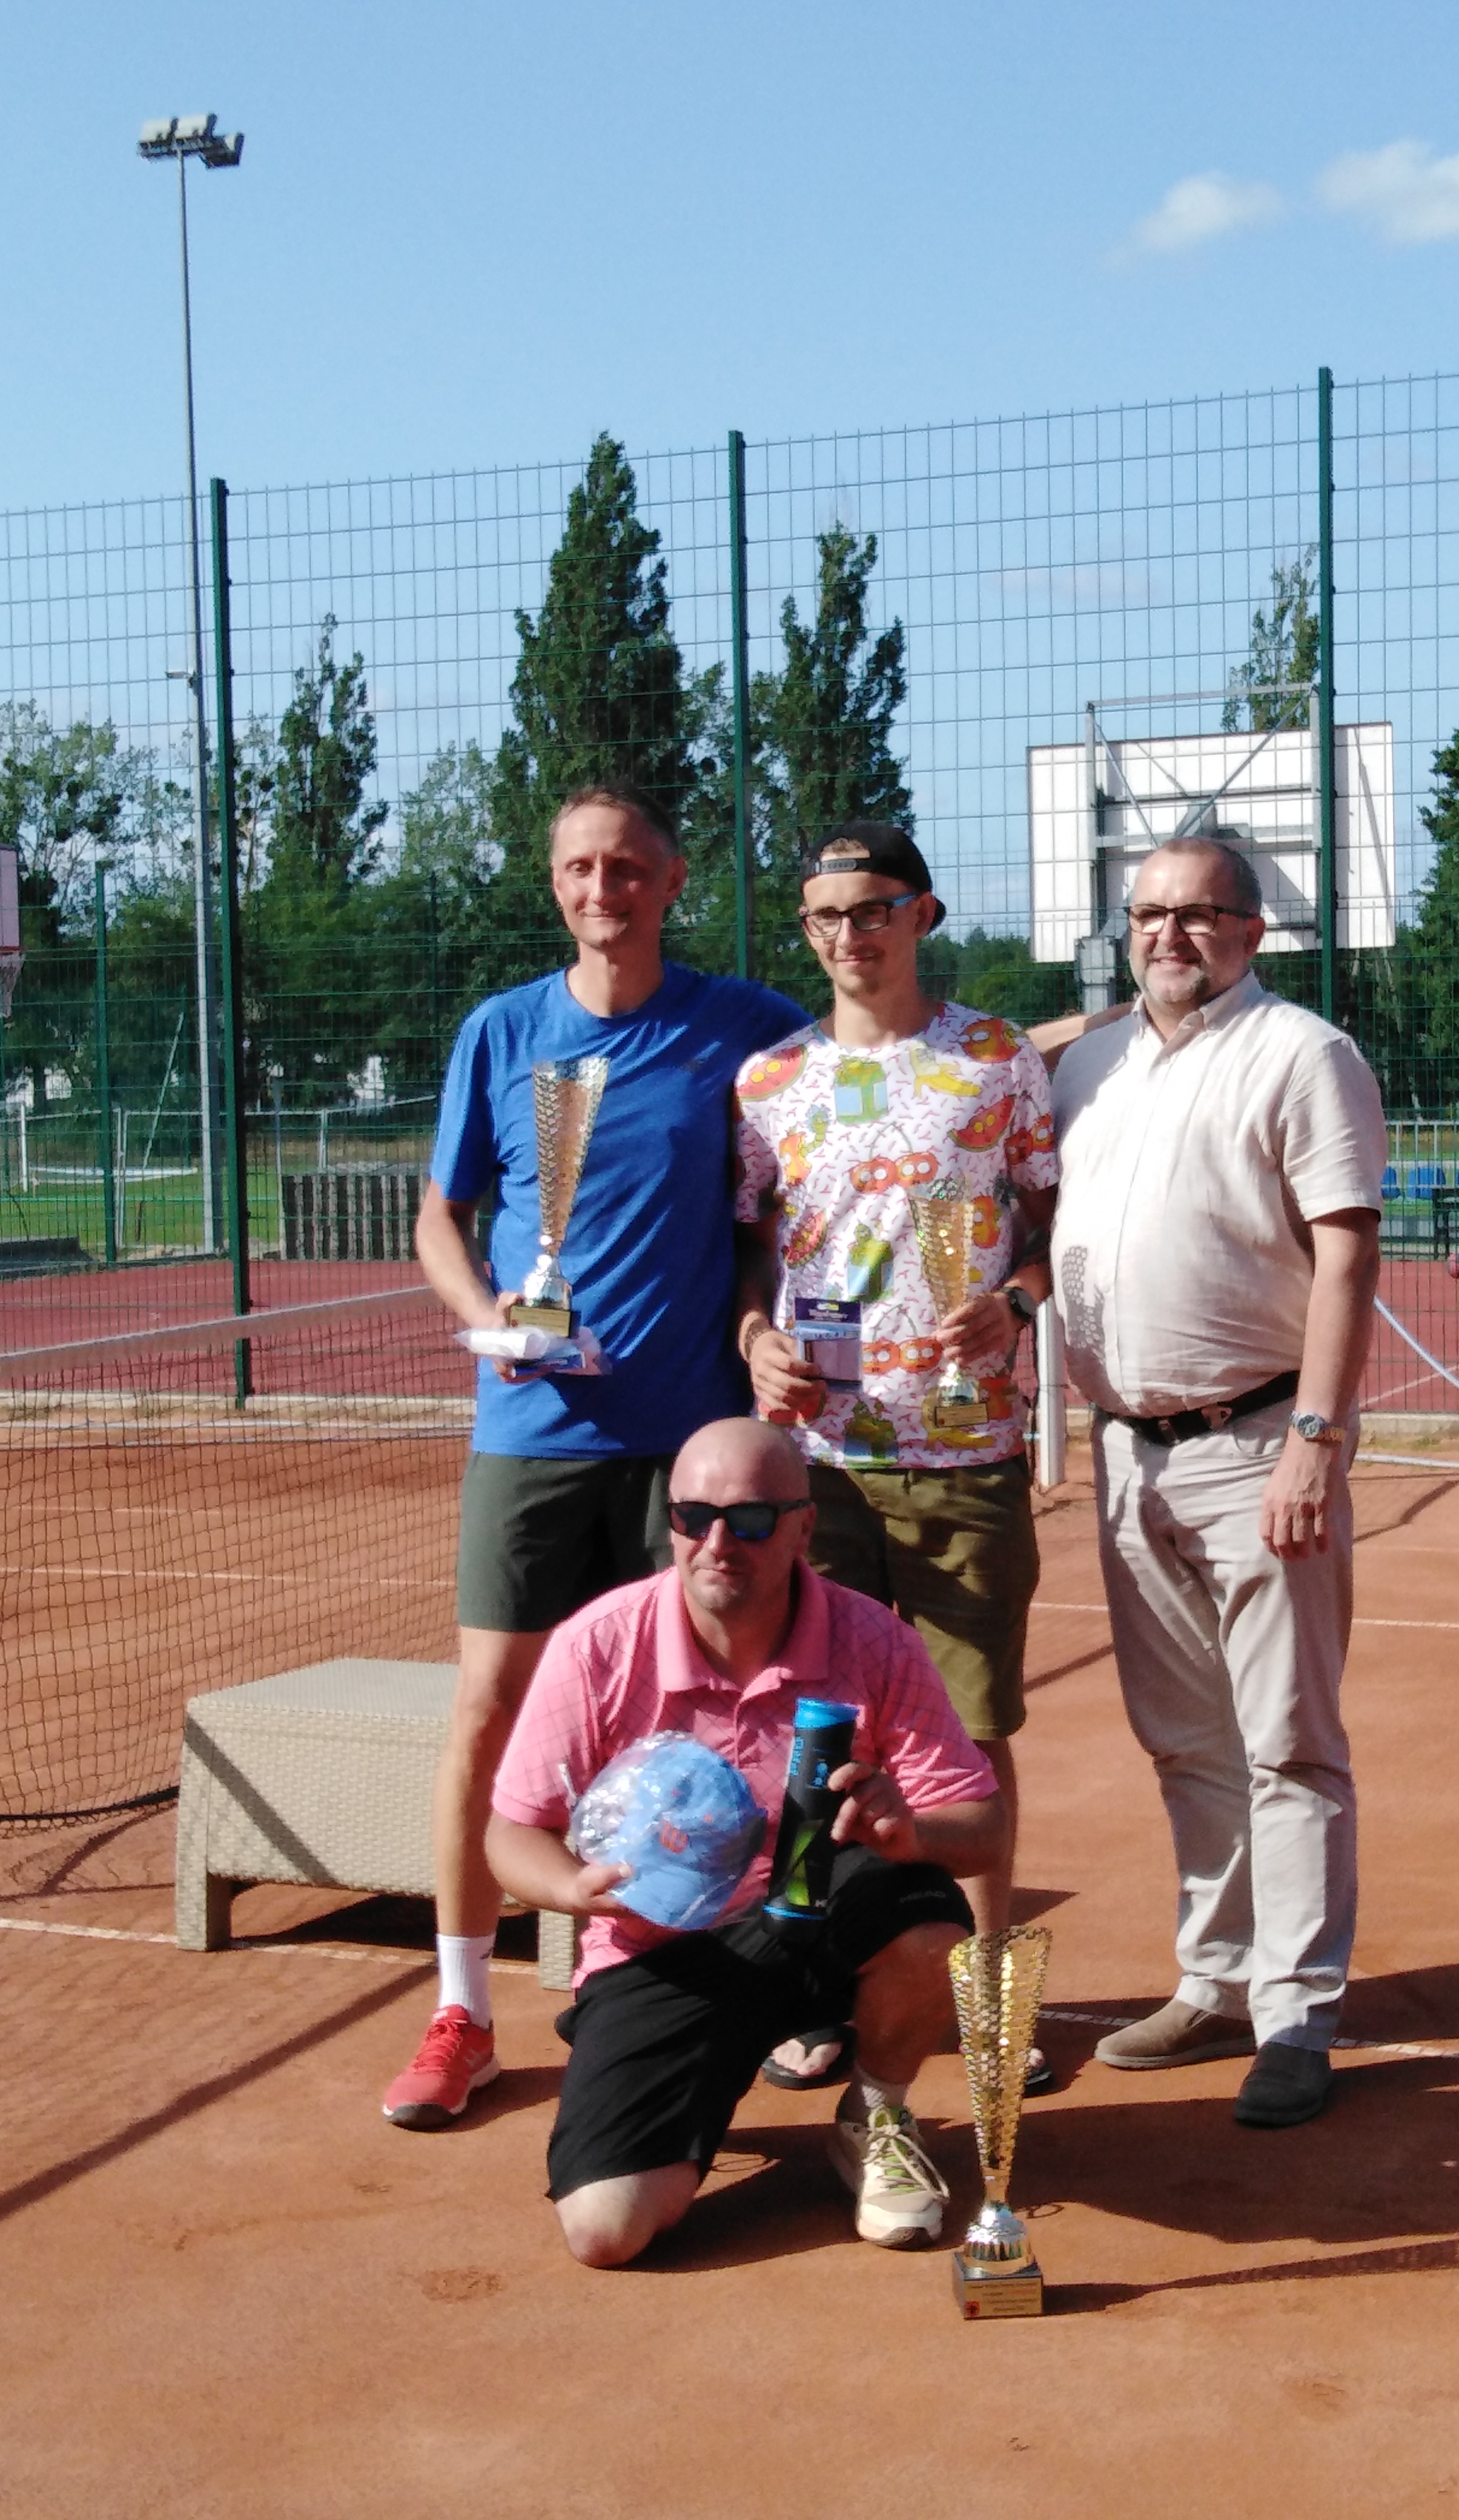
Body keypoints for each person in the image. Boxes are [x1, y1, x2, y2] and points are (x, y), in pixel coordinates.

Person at [382, 786, 804, 2130]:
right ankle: (462, 2011)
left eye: (627, 866)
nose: (602, 886)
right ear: (554, 882)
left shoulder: (740, 1024)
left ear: (671, 880)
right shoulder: (503, 1031)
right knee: (490, 1711)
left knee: (712, 1716)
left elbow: (861, 1090)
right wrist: (485, 1320)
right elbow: (440, 1216)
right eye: (579, 866)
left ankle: (747, 1987)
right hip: (533, 1432)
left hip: (690, 1444)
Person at [487, 1417, 1005, 2267]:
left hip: (826, 1916)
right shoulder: (600, 1643)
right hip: (665, 1953)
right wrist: (570, 1890)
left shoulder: (875, 1638)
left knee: (929, 1919)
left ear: (805, 1527)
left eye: (753, 1520)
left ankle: (877, 2112)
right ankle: (691, 2081)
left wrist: (908, 1830)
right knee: (605, 2231)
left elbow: (983, 1831)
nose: (719, 1542)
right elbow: (513, 1831)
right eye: (695, 1517)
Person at [1050, 835, 1386, 2130]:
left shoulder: (1304, 1054)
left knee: (1291, 1740)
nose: (1169, 936)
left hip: (1258, 1445)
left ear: (1253, 931)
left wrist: (1318, 1434)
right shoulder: (1091, 1064)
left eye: (1199, 915)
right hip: (1128, 1450)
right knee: (1185, 1740)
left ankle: (1297, 2013)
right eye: (1147, 914)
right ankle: (1218, 1976)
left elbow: (1347, 1254)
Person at [731, 823, 1058, 2094]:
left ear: (920, 914)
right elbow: (755, 1249)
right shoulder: (768, 1081)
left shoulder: (995, 1058)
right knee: (814, 1733)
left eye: (873, 909)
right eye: (825, 917)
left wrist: (1019, 1301)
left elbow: (1047, 1223)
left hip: (970, 1451)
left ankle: (986, 2003)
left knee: (972, 1739)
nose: (849, 935)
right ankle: (817, 1987)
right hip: (820, 1461)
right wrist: (757, 1336)